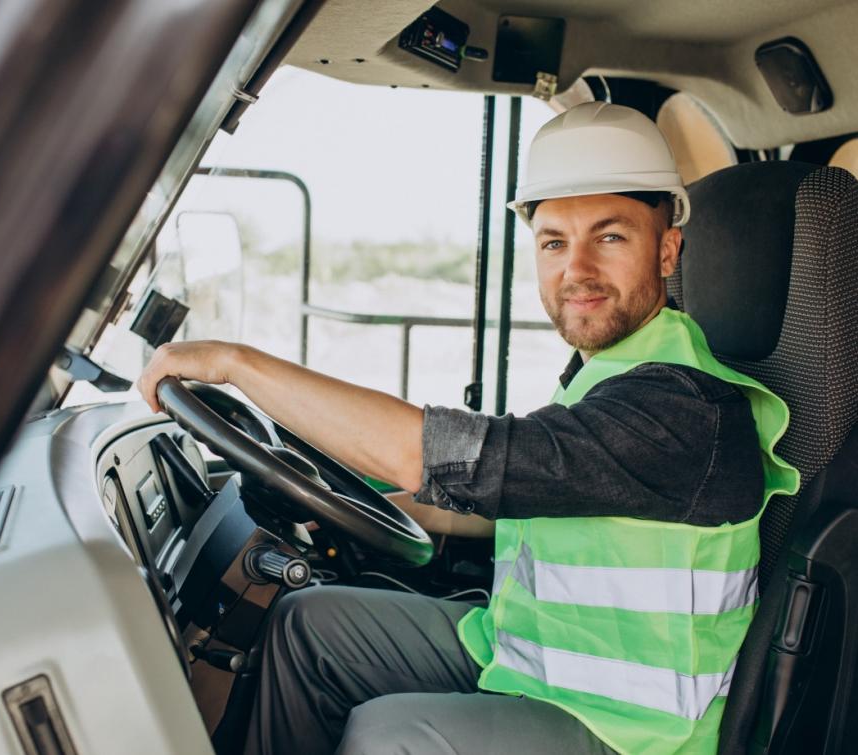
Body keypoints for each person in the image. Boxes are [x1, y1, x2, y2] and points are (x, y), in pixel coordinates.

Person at [137, 102, 800, 755]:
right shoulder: (613, 373)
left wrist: (232, 362)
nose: (577, 270)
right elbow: (525, 493)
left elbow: (440, 456)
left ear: (666, 251)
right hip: (533, 656)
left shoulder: (681, 405)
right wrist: (362, 511)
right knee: (309, 622)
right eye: (553, 242)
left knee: (390, 736)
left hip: (631, 728)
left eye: (610, 235)